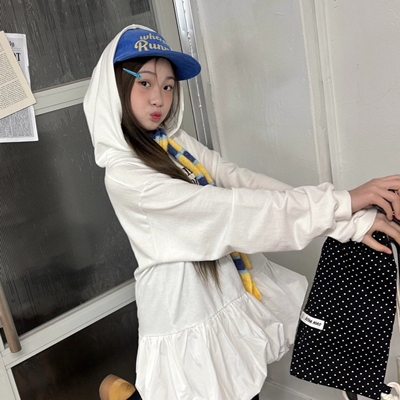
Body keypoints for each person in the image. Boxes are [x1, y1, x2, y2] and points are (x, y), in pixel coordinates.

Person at [84, 24, 400, 400]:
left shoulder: (171, 141)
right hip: (186, 318)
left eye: (168, 86)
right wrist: (343, 202)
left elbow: (239, 181)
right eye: (145, 83)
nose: (159, 99)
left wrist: (349, 219)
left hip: (221, 296)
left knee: (244, 388)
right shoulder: (127, 176)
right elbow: (231, 212)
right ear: (117, 86)